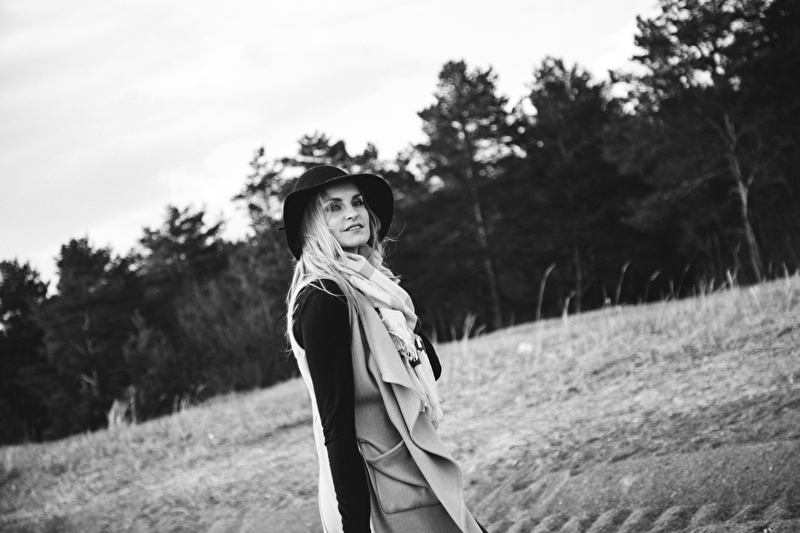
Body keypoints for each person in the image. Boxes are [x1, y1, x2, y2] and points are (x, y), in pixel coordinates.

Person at [283, 165, 488, 533]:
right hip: (380, 489)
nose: (352, 213)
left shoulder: (376, 290)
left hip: (413, 468)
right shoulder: (325, 298)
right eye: (334, 207)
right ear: (312, 225)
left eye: (357, 202)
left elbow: (430, 367)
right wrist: (356, 528)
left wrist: (396, 307)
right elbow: (336, 425)